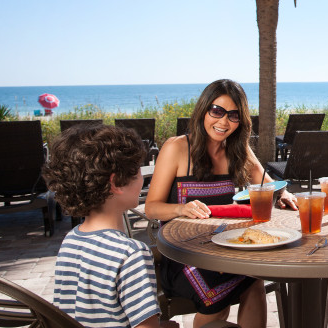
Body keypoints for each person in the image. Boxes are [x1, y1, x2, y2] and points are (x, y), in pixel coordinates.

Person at [145, 79, 297, 328]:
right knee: (218, 301)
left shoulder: (238, 150)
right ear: (203, 110)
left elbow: (268, 184)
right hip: (183, 255)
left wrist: (284, 194)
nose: (223, 122)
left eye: (233, 115)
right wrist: (180, 209)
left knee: (255, 281)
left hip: (225, 251)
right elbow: (151, 207)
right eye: (217, 111)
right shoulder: (176, 148)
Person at [42, 124, 178, 328]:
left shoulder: (70, 240)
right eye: (138, 170)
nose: (143, 177)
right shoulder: (130, 254)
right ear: (115, 184)